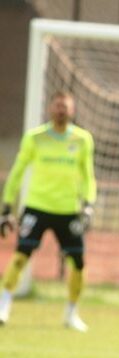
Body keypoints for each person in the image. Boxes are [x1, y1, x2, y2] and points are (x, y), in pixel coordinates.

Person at [0, 91, 96, 332]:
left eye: (65, 106)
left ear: (72, 111)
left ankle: (71, 313)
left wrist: (88, 204)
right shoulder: (35, 138)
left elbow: (88, 177)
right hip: (37, 207)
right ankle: (3, 305)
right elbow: (18, 171)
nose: (61, 110)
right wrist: (6, 207)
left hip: (68, 210)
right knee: (21, 255)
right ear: (50, 109)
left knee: (78, 262)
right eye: (57, 106)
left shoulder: (83, 140)